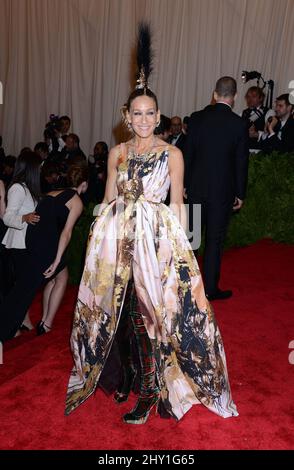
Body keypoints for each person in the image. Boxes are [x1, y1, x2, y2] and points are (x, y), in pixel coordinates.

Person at [65, 24, 238, 424]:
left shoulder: (172, 155)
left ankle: (151, 389)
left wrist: (184, 256)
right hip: (117, 242)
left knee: (152, 317)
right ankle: (128, 375)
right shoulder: (117, 154)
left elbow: (177, 205)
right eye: (136, 113)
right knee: (120, 314)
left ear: (158, 116)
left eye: (149, 113)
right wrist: (96, 242)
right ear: (127, 117)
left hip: (155, 243)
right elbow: (107, 200)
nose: (143, 119)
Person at [0, 165, 88, 341]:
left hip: (31, 241)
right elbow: (67, 233)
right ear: (84, 184)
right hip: (45, 246)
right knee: (47, 282)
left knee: (52, 279)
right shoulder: (77, 201)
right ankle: (43, 324)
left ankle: (43, 322)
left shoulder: (52, 192)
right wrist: (56, 260)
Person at [185, 77, 249, 301]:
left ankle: (185, 288)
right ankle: (210, 289)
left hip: (195, 188)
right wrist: (240, 193)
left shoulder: (196, 119)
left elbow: (187, 154)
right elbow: (241, 163)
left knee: (191, 239)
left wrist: (184, 184)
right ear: (235, 97)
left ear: (214, 94)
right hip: (222, 192)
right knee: (214, 240)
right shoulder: (239, 124)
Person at [1, 151, 41, 329]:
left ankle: (21, 320)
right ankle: (10, 323)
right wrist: (24, 218)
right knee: (23, 287)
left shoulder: (28, 188)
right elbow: (7, 218)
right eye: (38, 167)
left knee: (26, 286)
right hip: (19, 244)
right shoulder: (17, 188)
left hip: (27, 243)